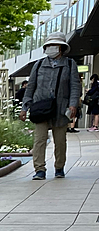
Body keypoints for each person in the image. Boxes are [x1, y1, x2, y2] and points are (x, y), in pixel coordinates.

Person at [20, 31, 81, 180]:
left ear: (61, 47)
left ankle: (59, 167)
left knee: (60, 141)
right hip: (40, 108)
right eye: (49, 45)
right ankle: (39, 169)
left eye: (54, 45)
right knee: (39, 140)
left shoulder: (69, 64)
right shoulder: (39, 64)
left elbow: (75, 86)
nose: (51, 48)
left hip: (60, 108)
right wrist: (24, 107)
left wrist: (73, 104)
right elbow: (31, 87)